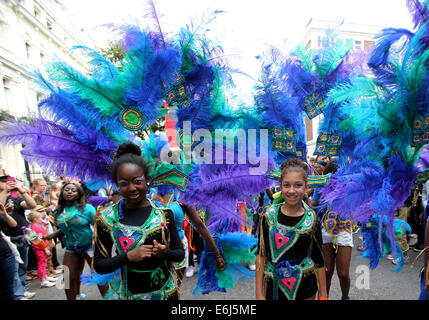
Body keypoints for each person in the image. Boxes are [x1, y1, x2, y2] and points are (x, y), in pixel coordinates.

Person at [93, 142, 185, 300]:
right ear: (116, 184)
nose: (131, 188)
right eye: (124, 183)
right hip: (131, 296)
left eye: (137, 181)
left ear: (147, 179)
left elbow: (179, 254)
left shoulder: (164, 214)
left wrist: (165, 253)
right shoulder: (107, 218)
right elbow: (100, 265)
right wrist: (127, 257)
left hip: (166, 293)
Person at [255, 158, 327, 300]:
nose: (292, 190)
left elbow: (318, 258)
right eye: (286, 185)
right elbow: (261, 255)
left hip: (305, 285)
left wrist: (323, 294)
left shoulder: (312, 219)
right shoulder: (268, 216)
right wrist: (259, 293)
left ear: (306, 187)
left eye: (298, 185)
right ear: (280, 186)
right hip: (273, 285)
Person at [44, 181, 108, 300]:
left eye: (73, 190)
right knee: (68, 277)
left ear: (79, 194)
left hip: (89, 245)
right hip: (71, 247)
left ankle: (107, 297)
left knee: (98, 274)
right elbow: (65, 228)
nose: (69, 192)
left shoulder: (87, 208)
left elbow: (98, 227)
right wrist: (52, 235)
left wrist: (102, 246)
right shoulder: (57, 211)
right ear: (62, 193)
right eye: (66, 190)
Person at [311, 160, 353, 300]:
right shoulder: (321, 185)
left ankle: (345, 297)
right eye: (332, 177)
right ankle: (324, 297)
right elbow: (314, 205)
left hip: (344, 230)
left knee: (343, 273)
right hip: (326, 230)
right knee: (327, 271)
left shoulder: (349, 186)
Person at [0, 174, 36, 299]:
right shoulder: (2, 198)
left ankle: (21, 290)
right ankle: (17, 294)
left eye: (6, 181)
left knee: (21, 268)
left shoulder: (13, 198)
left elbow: (32, 205)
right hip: (7, 239)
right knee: (12, 272)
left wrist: (22, 190)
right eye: (2, 181)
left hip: (20, 236)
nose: (6, 183)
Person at [27, 210, 56, 288]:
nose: (41, 219)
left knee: (44, 262)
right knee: (41, 263)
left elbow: (44, 235)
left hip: (43, 247)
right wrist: (45, 249)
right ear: (35, 219)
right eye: (40, 218)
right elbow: (37, 241)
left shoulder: (39, 226)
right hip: (40, 249)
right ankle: (43, 280)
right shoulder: (34, 228)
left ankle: (45, 277)